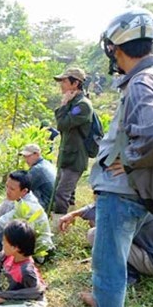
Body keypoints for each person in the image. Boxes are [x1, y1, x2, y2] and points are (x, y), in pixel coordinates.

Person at [68, 8, 153, 307]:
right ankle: (104, 302)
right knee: (113, 256)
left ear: (117, 48)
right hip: (143, 189)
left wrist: (129, 162)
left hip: (125, 191)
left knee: (108, 263)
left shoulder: (142, 83)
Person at [59, 204, 153, 286]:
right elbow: (104, 207)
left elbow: (117, 234)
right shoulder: (142, 198)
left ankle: (128, 274)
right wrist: (75, 213)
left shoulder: (138, 206)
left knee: (96, 235)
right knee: (99, 230)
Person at [52, 67, 94, 216]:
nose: (61, 85)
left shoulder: (82, 105)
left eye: (64, 81)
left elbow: (62, 124)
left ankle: (59, 225)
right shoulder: (73, 103)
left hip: (75, 157)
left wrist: (63, 105)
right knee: (67, 195)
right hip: (66, 155)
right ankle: (67, 224)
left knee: (61, 195)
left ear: (75, 83)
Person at [20, 144, 56, 211]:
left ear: (37, 154)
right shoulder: (46, 163)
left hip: (45, 204)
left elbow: (21, 189)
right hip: (52, 201)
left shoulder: (37, 169)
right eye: (24, 157)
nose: (25, 159)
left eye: (28, 156)